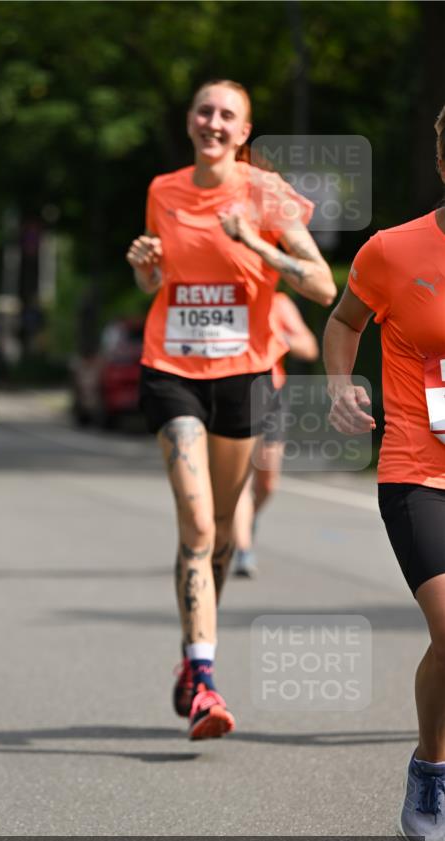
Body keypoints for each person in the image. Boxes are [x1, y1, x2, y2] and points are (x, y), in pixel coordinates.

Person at [126, 79, 336, 740]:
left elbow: (323, 285)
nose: (212, 122)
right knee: (195, 523)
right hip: (172, 369)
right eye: (203, 111)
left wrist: (257, 244)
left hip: (243, 375)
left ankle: (192, 658)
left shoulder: (265, 194)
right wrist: (144, 269)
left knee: (220, 531)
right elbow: (158, 279)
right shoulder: (164, 190)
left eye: (227, 115)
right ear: (190, 121)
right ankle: (204, 681)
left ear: (243, 133)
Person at [324, 106, 445, 841]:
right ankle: (432, 776)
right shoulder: (392, 250)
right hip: (417, 469)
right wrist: (341, 386)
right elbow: (343, 323)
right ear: (442, 160)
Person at [233, 290, 319, 577]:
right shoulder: (227, 298)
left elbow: (309, 347)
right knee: (240, 479)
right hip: (232, 395)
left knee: (267, 481)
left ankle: (249, 519)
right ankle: (243, 550)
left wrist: (279, 338)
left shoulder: (278, 302)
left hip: (270, 395)